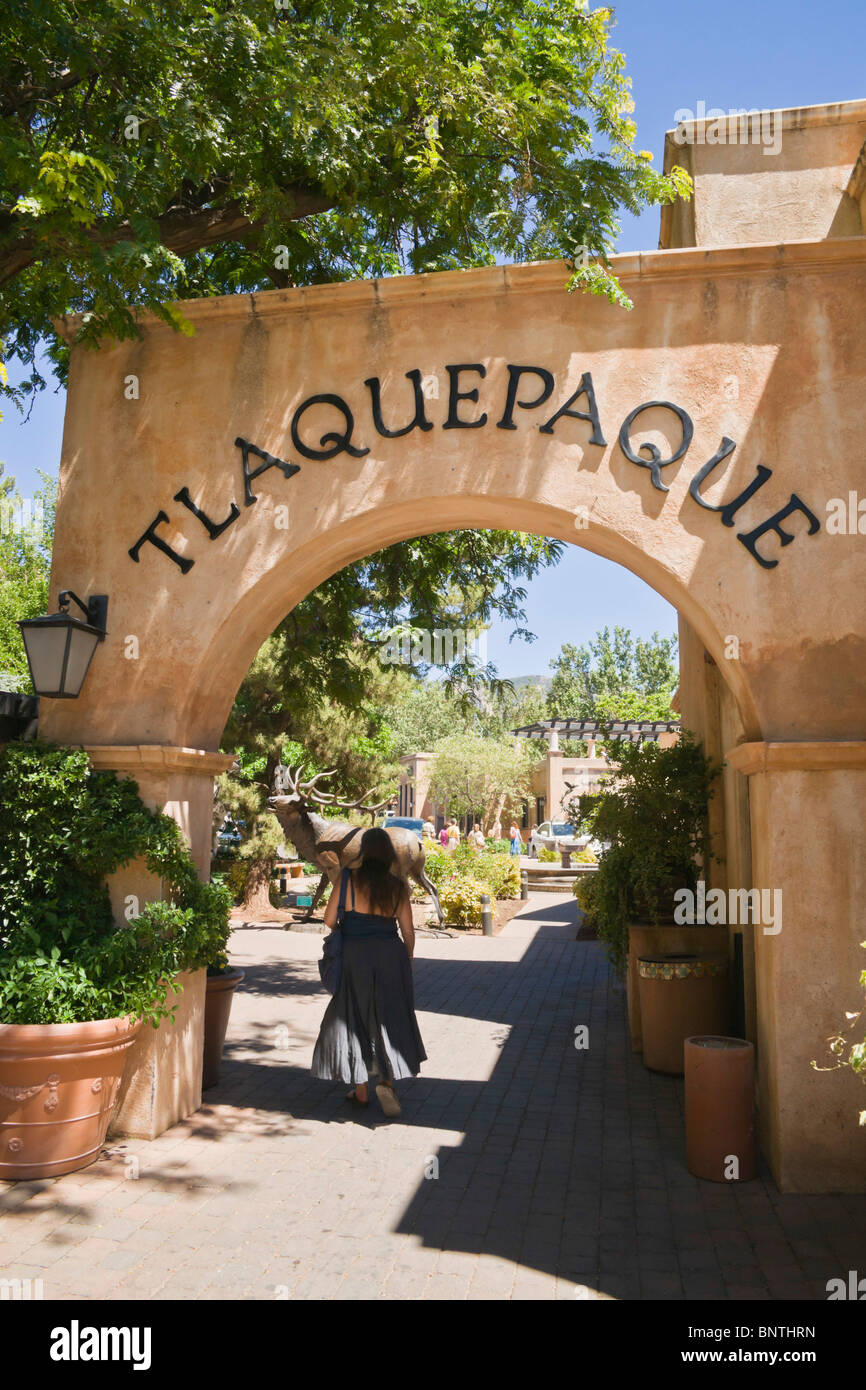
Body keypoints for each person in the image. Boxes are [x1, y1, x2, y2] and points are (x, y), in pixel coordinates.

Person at [311, 828, 426, 1117]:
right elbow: (408, 931)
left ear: (363, 851)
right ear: (388, 853)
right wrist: (408, 958)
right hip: (390, 954)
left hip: (354, 954)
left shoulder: (348, 879)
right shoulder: (397, 886)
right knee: (388, 1016)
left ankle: (360, 1091)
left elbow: (328, 920)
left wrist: (348, 929)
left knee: (353, 1016)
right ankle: (386, 1082)